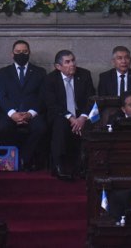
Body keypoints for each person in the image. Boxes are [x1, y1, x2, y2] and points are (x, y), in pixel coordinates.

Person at [42, 49, 95, 181]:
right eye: (67, 62)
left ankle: (83, 166)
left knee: (92, 123)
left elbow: (91, 99)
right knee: (60, 124)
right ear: (58, 66)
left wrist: (82, 117)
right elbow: (52, 104)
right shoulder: (50, 79)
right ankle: (58, 166)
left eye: (73, 60)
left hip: (81, 114)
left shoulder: (85, 74)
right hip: (61, 114)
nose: (72, 64)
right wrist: (71, 118)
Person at [0, 40, 47, 171]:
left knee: (41, 128)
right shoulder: (3, 72)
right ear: (12, 54)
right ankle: (13, 159)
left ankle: (25, 158)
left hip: (32, 113)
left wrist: (30, 113)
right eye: (18, 52)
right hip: (11, 113)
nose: (21, 54)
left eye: (24, 51)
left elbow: (42, 96)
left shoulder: (40, 72)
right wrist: (13, 114)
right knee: (2, 128)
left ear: (29, 53)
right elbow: (1, 96)